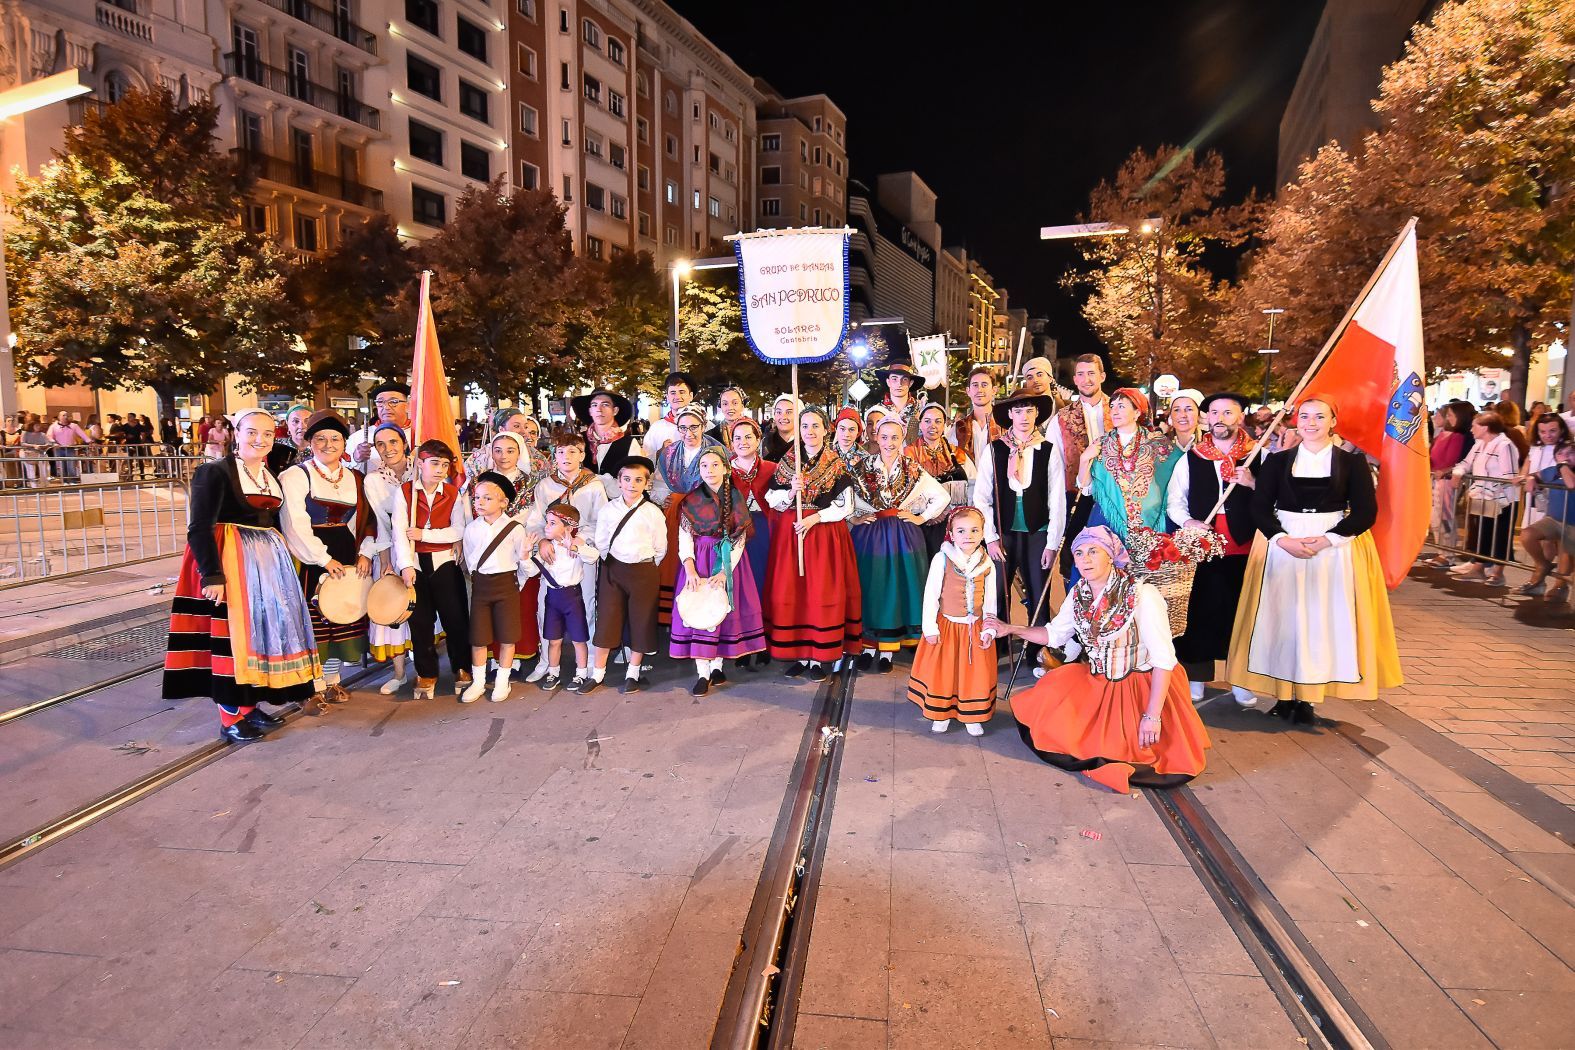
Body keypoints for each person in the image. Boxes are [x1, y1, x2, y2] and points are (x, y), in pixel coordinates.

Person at [990, 527, 1210, 792]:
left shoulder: (1142, 596)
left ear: (1111, 555)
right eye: (1079, 553)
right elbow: (1054, 635)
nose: (1085, 559)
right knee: (1050, 700)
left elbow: (1165, 660)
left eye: (1094, 551)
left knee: (1121, 752)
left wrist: (1152, 716)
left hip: (1138, 687)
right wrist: (1011, 629)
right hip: (1097, 679)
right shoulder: (1079, 593)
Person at [1226, 398, 1403, 723]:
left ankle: (1308, 697)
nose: (1311, 422)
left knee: (1320, 623)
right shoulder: (1278, 462)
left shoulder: (1352, 464)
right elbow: (1260, 507)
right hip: (1282, 548)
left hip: (1333, 552)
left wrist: (1327, 539)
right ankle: (1283, 694)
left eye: (1319, 416)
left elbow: (1366, 512)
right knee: (1282, 621)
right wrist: (1282, 539)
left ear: (1333, 421)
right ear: (1296, 421)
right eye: (1305, 416)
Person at [163, 408, 321, 742]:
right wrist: (211, 575)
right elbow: (199, 528)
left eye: (266, 434)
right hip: (230, 561)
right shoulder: (214, 472)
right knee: (229, 639)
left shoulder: (270, 474)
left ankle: (248, 706)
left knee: (256, 636)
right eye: (251, 432)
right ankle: (230, 715)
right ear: (236, 431)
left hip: (266, 567)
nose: (260, 440)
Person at [1165, 392, 1259, 706]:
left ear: (1240, 417)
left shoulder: (1259, 455)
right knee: (1200, 612)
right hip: (1205, 547)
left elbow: (1273, 501)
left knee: (1242, 614)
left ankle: (1242, 680)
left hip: (1245, 546)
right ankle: (1196, 677)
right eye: (1214, 413)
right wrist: (1189, 521)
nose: (1220, 418)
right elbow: (1174, 502)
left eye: (1228, 412)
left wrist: (1252, 484)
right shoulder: (1192, 457)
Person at [279, 410, 372, 705]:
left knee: (341, 619)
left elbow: (366, 520)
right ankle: (311, 687)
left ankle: (333, 681)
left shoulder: (355, 477)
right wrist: (322, 558)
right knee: (313, 624)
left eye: (335, 438)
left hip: (345, 552)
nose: (328, 444)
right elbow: (294, 522)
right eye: (320, 438)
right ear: (309, 442)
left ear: (344, 443)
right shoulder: (296, 475)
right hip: (310, 559)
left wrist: (364, 553)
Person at [764, 408, 863, 681]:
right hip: (792, 532)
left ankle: (819, 656)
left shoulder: (835, 463)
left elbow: (846, 505)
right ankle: (801, 654)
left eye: (815, 425)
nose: (809, 431)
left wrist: (815, 519)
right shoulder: (788, 460)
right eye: (804, 425)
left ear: (825, 429)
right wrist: (790, 492)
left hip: (823, 534)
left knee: (820, 592)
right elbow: (772, 497)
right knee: (795, 592)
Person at [973, 388, 1067, 672]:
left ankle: (1036, 650)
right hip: (1004, 532)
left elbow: (1057, 498)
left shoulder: (1048, 450)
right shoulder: (995, 448)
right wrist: (989, 537)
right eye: (1018, 411)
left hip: (1037, 531)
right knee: (998, 590)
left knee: (1039, 592)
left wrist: (1052, 543)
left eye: (1029, 411)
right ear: (1009, 415)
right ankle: (996, 646)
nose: (1023, 417)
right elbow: (981, 497)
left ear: (1037, 413)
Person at [850, 418, 951, 672]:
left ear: (902, 438)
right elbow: (846, 498)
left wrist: (921, 517)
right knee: (872, 588)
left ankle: (887, 652)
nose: (889, 443)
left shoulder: (912, 468)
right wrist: (855, 517)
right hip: (871, 534)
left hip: (902, 534)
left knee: (897, 590)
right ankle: (869, 646)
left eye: (894, 437)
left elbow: (942, 495)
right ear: (876, 437)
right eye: (884, 437)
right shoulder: (862, 467)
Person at [670, 447, 767, 694]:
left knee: (722, 611)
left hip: (728, 562)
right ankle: (703, 672)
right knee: (701, 611)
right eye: (704, 465)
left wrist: (725, 571)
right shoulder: (690, 501)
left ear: (725, 468)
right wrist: (689, 567)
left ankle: (718, 666)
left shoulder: (735, 498)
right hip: (699, 562)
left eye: (715, 465)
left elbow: (739, 539)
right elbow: (684, 537)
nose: (709, 470)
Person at [908, 506, 999, 736]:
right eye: (961, 531)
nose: (968, 536)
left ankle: (971, 714)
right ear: (951, 533)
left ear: (982, 533)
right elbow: (931, 594)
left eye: (974, 530)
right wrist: (930, 626)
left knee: (973, 674)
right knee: (945, 672)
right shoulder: (942, 558)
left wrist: (989, 628)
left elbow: (990, 599)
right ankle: (942, 712)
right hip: (947, 626)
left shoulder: (987, 563)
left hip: (974, 628)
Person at [393, 440, 473, 699]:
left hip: (444, 563)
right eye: (435, 463)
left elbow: (458, 530)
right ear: (420, 463)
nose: (440, 469)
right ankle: (426, 672)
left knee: (456, 619)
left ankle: (462, 667)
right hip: (415, 565)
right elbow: (399, 533)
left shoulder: (453, 494)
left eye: (445, 465)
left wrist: (425, 534)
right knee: (420, 622)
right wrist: (405, 565)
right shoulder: (405, 492)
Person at [582, 458, 667, 694]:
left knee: (641, 621)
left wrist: (645, 564)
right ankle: (597, 673)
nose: (632, 484)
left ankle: (633, 672)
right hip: (614, 570)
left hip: (643, 571)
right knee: (608, 619)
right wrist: (613, 563)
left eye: (638, 480)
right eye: (627, 479)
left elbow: (661, 547)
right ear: (618, 482)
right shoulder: (609, 509)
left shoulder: (652, 512)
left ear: (646, 484)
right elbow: (601, 540)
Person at [526, 431, 607, 676]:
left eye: (572, 451)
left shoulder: (593, 485)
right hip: (552, 555)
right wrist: (541, 541)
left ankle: (591, 660)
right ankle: (546, 662)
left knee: (587, 604)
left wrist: (579, 540)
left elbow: (600, 520)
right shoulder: (545, 485)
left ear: (582, 455)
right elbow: (534, 520)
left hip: (580, 551)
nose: (566, 456)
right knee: (545, 605)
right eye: (560, 452)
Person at [1075, 388, 1179, 545]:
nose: (1114, 411)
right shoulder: (1101, 444)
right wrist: (1084, 459)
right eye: (1112, 406)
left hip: (1149, 520)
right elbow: (1087, 489)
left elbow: (1176, 476)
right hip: (1108, 521)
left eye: (1121, 406)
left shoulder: (1158, 443)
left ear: (1137, 412)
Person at [461, 471, 530, 703]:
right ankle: (479, 681)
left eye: (487, 498)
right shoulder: (471, 529)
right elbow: (470, 559)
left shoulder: (515, 529)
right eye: (477, 498)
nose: (479, 502)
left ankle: (503, 679)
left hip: (506, 585)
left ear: (503, 502)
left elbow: (523, 563)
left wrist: (515, 581)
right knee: (479, 636)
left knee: (507, 635)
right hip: (481, 586)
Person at [652, 405, 724, 624]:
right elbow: (657, 482)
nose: (688, 433)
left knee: (698, 562)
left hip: (705, 513)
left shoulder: (717, 451)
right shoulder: (668, 452)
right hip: (673, 512)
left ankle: (703, 613)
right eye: (683, 428)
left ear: (703, 426)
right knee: (672, 559)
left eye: (694, 427)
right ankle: (672, 615)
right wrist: (662, 497)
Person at [359, 424, 416, 695]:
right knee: (394, 608)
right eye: (381, 444)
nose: (388, 449)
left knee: (430, 610)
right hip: (393, 547)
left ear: (404, 443)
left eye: (393, 441)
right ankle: (400, 673)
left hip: (425, 545)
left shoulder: (423, 468)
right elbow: (380, 523)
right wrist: (386, 562)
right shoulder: (373, 480)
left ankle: (433, 668)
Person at [1048, 355, 1111, 580]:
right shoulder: (1062, 419)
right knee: (1074, 558)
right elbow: (1052, 464)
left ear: (1102, 376)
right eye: (1081, 374)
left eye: (1092, 373)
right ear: (1075, 379)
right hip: (1074, 497)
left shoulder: (1119, 410)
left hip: (1114, 498)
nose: (1087, 380)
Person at [525, 502, 599, 691]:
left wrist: (575, 548)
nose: (546, 527)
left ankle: (581, 673)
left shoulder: (576, 547)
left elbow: (593, 556)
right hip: (552, 598)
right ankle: (553, 672)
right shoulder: (547, 549)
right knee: (553, 640)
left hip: (572, 598)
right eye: (547, 522)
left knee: (578, 639)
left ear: (567, 528)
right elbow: (531, 570)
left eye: (552, 523)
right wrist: (525, 555)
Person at [1445, 411, 1521, 586]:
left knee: (1500, 535)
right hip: (1482, 496)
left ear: (1486, 428)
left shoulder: (1505, 445)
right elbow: (1465, 463)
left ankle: (1498, 573)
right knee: (1482, 533)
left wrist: (1492, 488)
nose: (1471, 429)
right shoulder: (1479, 444)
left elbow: (1509, 476)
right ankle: (1478, 567)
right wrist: (1457, 473)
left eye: (1475, 426)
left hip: (1502, 499)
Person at [1517, 423, 1575, 603]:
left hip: (1572, 522)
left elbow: (1571, 484)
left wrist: (1563, 465)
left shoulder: (1564, 469)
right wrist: (1531, 478)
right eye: (1560, 454)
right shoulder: (1554, 469)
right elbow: (1536, 474)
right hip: (1553, 518)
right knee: (1527, 535)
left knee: (1566, 551)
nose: (1565, 457)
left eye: (1569, 454)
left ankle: (1560, 586)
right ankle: (1543, 564)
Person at [907, 403, 973, 561]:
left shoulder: (958, 454)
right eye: (927, 421)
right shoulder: (908, 454)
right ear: (920, 424)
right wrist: (928, 514)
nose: (933, 426)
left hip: (951, 522)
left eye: (938, 421)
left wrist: (946, 512)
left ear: (945, 424)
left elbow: (972, 485)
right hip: (918, 523)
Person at [729, 418, 776, 619]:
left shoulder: (772, 469)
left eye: (748, 437)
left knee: (763, 577)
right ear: (731, 443)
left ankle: (764, 630)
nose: (743, 442)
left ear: (758, 440)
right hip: (733, 532)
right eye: (737, 438)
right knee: (737, 580)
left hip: (764, 531)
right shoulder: (722, 470)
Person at [1419, 402, 1474, 567]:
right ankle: (1442, 551)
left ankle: (1447, 553)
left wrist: (1443, 470)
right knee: (1436, 517)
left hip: (1447, 482)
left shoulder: (1458, 437)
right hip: (1438, 479)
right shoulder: (1443, 435)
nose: (1448, 418)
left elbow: (1453, 460)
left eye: (1450, 415)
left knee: (1444, 517)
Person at [572, 388, 643, 497]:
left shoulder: (629, 444)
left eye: (605, 405)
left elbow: (633, 482)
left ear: (615, 410)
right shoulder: (578, 441)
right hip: (584, 507)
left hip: (618, 508)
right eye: (594, 405)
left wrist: (593, 477)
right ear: (590, 411)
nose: (599, 410)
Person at [348, 382, 412, 472]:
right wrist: (355, 458)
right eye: (380, 402)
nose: (386, 407)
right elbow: (341, 463)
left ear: (408, 405)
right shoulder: (359, 437)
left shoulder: (419, 435)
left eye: (393, 402)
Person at [951, 366, 1005, 465]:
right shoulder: (958, 428)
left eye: (984, 385)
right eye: (975, 385)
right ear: (968, 391)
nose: (979, 390)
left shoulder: (1005, 425)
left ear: (994, 390)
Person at [866, 362, 927, 446]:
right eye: (894, 379)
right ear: (888, 382)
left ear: (910, 383)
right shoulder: (877, 412)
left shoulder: (922, 410)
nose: (899, 384)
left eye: (904, 379)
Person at [643, 371, 698, 460]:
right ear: (667, 397)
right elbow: (645, 459)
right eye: (672, 392)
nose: (677, 397)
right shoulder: (657, 428)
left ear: (690, 396)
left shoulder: (705, 426)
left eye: (682, 392)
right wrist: (660, 453)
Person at [46, 411, 90, 482]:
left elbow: (82, 434)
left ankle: (72, 480)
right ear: (59, 417)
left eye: (66, 415)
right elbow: (49, 436)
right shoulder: (53, 426)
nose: (65, 417)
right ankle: (65, 481)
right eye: (63, 415)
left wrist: (89, 441)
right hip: (59, 448)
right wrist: (54, 442)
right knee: (61, 465)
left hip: (70, 448)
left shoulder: (74, 426)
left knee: (71, 464)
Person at [267, 405, 313, 474]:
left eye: (307, 421)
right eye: (296, 421)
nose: (301, 426)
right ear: (287, 424)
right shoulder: (274, 447)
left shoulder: (320, 449)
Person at [761, 393, 800, 462]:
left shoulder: (807, 444)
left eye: (788, 412)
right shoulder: (763, 444)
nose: (783, 417)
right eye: (779, 412)